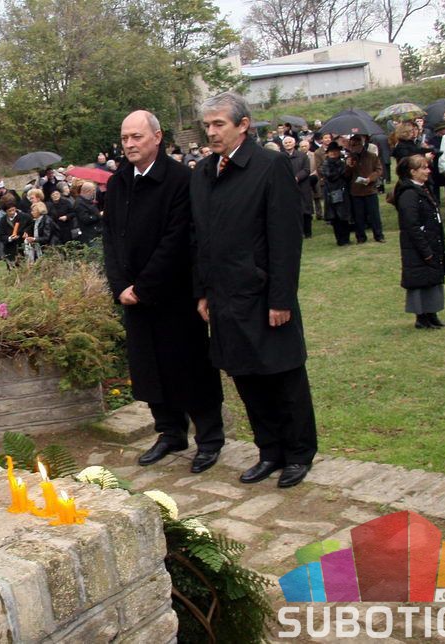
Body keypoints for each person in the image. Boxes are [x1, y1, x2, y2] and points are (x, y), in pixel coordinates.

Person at [190, 92, 317, 489]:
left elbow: (285, 238)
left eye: (219, 124)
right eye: (207, 126)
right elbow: (200, 238)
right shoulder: (204, 172)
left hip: (263, 294)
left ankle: (298, 453)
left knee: (283, 376)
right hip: (224, 295)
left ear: (243, 125)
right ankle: (269, 450)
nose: (212, 132)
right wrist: (203, 291)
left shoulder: (269, 165)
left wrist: (281, 298)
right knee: (246, 377)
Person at [104, 110, 226, 474]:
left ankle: (209, 438)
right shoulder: (119, 181)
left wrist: (144, 287)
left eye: (137, 137)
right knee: (149, 369)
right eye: (125, 138)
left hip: (173, 294)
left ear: (157, 137)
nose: (129, 144)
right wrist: (119, 286)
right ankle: (170, 432)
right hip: (132, 295)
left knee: (189, 367)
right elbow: (111, 237)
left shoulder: (179, 179)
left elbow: (177, 240)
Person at [392, 155, 445, 329]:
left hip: (431, 241)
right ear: (413, 172)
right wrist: (425, 250)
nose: (428, 171)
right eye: (424, 168)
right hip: (418, 246)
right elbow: (412, 226)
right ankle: (422, 317)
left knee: (432, 279)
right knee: (420, 280)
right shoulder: (409, 194)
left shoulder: (424, 189)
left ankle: (432, 314)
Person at [345, 135, 385, 243]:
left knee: (374, 215)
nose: (355, 147)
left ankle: (379, 235)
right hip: (356, 191)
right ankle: (361, 237)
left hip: (370, 189)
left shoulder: (371, 156)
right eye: (352, 145)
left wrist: (370, 178)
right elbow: (346, 176)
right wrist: (349, 166)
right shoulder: (350, 158)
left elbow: (379, 170)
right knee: (358, 216)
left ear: (362, 144)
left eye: (357, 144)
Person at [320, 142, 353, 246]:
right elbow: (331, 176)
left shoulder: (342, 163)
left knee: (344, 216)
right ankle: (340, 239)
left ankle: (346, 239)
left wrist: (347, 167)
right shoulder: (326, 164)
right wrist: (341, 170)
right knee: (335, 217)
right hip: (331, 192)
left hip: (343, 191)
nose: (333, 153)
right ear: (328, 153)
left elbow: (347, 176)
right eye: (331, 151)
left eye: (335, 151)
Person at [284, 136, 314, 239]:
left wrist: (297, 177)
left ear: (294, 144)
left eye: (289, 142)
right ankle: (297, 232)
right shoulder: (280, 157)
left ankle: (308, 232)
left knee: (305, 210)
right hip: (288, 186)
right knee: (293, 211)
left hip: (303, 186)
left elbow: (306, 169)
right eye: (286, 143)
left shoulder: (302, 156)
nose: (288, 144)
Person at [0, 193, 31, 267]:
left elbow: (31, 225)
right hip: (10, 250)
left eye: (13, 210)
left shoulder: (25, 216)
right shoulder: (3, 220)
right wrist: (10, 238)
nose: (12, 212)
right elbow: (1, 236)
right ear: (5, 211)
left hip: (24, 248)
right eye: (9, 211)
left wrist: (27, 232)